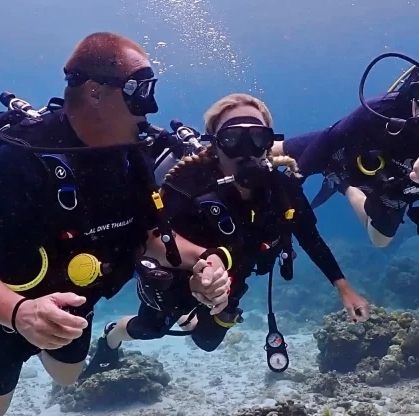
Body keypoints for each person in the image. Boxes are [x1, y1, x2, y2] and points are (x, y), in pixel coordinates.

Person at [0, 32, 232, 416]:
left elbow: (149, 237)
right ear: (95, 92)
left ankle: (36, 335)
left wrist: (205, 262)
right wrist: (20, 313)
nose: (150, 108)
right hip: (9, 303)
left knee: (67, 376)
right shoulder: (18, 160)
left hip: (74, 302)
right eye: (139, 92)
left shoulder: (132, 159)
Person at [84, 93, 371, 374]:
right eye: (232, 140)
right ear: (215, 144)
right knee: (151, 330)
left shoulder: (282, 191)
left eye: (257, 139)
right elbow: (150, 236)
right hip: (177, 273)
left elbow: (310, 237)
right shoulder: (187, 181)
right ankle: (112, 336)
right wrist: (201, 263)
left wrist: (344, 288)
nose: (246, 152)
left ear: (269, 144)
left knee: (207, 341)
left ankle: (190, 317)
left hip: (233, 276)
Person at [273, 50, 419, 248]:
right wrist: (290, 187)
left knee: (380, 241)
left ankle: (343, 185)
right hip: (354, 153)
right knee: (270, 149)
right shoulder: (387, 107)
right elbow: (329, 139)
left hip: (393, 190)